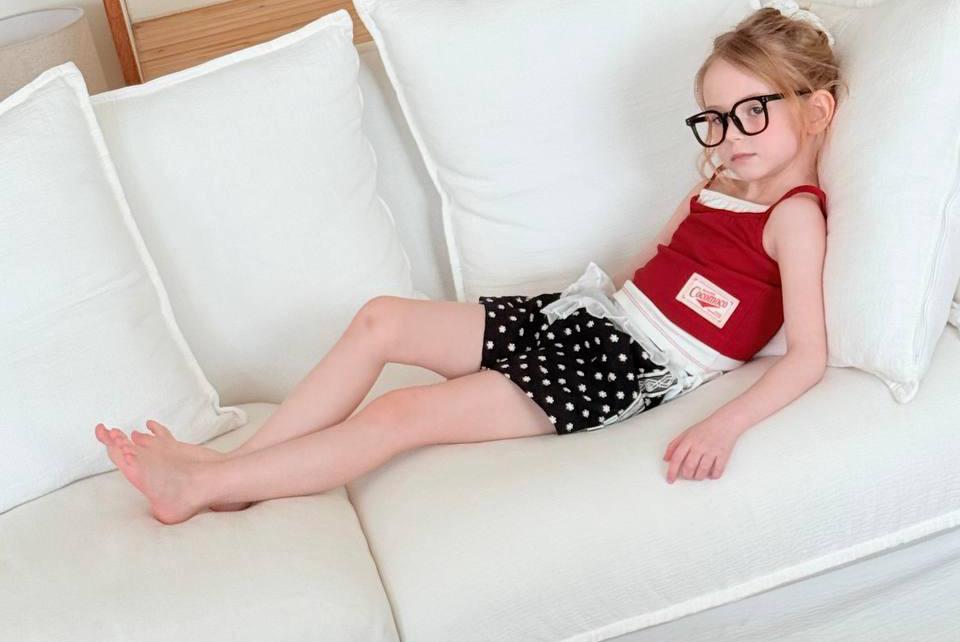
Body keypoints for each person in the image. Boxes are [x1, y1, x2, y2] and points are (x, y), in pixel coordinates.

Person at [94, 2, 843, 525]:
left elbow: (807, 355)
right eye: (716, 118)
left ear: (816, 110)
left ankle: (205, 485)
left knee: (402, 413)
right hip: (591, 317)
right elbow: (652, 276)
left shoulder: (795, 217)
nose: (730, 135)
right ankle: (235, 473)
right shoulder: (716, 191)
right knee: (382, 320)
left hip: (626, 366)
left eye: (754, 111)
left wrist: (722, 427)